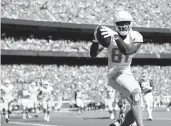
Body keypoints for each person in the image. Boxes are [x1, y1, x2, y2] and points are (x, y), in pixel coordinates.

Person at [90, 10, 144, 126]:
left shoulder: (136, 36)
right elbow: (93, 54)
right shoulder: (109, 38)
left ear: (131, 23)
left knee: (138, 105)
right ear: (115, 24)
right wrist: (95, 40)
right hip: (114, 73)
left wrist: (115, 36)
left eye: (126, 22)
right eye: (121, 23)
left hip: (127, 73)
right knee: (136, 94)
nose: (124, 25)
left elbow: (128, 51)